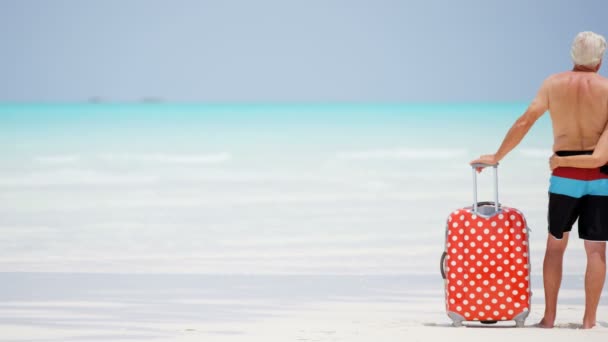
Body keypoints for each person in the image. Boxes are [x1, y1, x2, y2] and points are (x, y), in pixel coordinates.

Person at [470, 31, 608, 329]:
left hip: (563, 179)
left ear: (573, 55)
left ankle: (549, 318)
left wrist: (497, 156)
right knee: (596, 250)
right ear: (600, 59)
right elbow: (602, 154)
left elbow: (525, 121)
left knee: (555, 246)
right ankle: (589, 321)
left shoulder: (553, 84)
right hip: (601, 179)